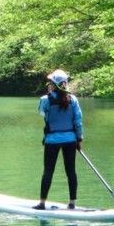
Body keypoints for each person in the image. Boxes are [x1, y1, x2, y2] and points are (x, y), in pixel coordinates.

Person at [33, 69, 83, 210]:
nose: (48, 83)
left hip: (52, 140)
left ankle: (42, 203)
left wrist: (50, 94)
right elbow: (78, 121)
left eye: (50, 82)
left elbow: (42, 113)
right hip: (70, 140)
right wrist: (79, 139)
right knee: (71, 171)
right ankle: (72, 203)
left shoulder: (45, 99)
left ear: (54, 84)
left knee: (48, 171)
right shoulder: (73, 99)